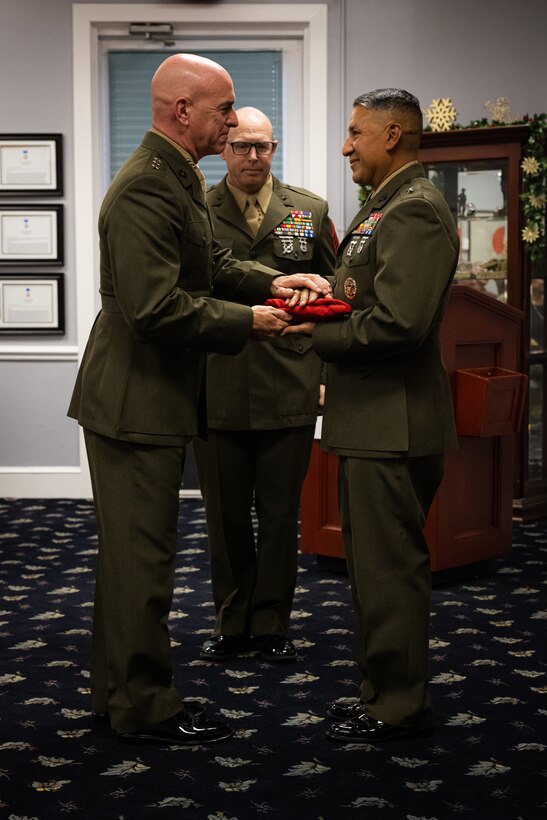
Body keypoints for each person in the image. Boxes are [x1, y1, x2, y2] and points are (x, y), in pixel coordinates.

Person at [67, 53, 331, 747]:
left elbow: (208, 265)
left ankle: (116, 691)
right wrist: (252, 322)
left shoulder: (174, 176)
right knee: (142, 561)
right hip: (134, 399)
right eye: (223, 107)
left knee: (131, 557)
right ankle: (145, 706)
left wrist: (269, 285)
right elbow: (155, 308)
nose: (233, 120)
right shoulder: (148, 188)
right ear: (182, 111)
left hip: (148, 394)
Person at [286, 89, 459, 743]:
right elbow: (363, 296)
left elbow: (398, 325)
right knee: (371, 570)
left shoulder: (412, 210)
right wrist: (321, 300)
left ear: (393, 134)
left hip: (394, 423)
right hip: (371, 419)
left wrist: (308, 331)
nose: (345, 146)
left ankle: (398, 705)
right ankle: (381, 691)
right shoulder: (382, 208)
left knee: (388, 572)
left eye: (355, 133)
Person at [193, 107, 336, 664]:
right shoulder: (197, 208)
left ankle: (272, 622)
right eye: (242, 147)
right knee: (225, 515)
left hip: (289, 378)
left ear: (274, 149)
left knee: (280, 514)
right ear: (223, 148)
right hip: (220, 378)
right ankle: (232, 621)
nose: (253, 157)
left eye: (264, 147)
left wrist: (322, 372)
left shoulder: (307, 209)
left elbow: (331, 295)